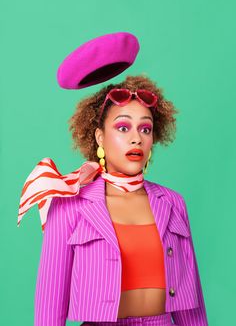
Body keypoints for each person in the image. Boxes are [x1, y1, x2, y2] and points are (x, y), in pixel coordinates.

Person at [18, 74, 208, 326]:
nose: (136, 138)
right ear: (99, 137)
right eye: (122, 127)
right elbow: (49, 305)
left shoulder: (173, 203)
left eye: (145, 128)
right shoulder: (68, 204)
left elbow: (191, 304)